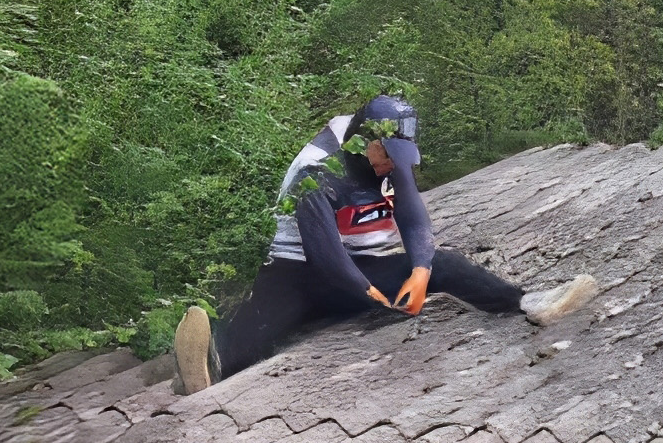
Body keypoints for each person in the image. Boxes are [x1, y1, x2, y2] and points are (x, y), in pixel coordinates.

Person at [170, 95, 598, 392]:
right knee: (263, 326)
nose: (394, 163)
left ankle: (527, 302)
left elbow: (411, 211)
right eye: (387, 153)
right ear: (363, 143)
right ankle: (208, 361)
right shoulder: (317, 172)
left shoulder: (389, 155)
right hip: (299, 272)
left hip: (364, 264)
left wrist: (420, 270)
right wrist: (373, 295)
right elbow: (325, 256)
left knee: (443, 264)